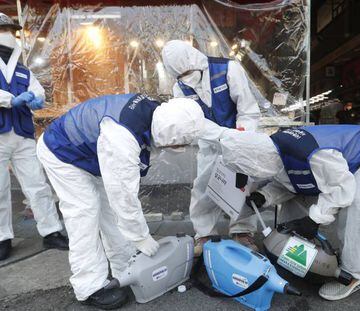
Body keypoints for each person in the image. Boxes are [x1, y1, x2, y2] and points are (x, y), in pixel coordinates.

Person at [37, 93, 205, 309]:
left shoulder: (159, 113)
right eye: (174, 145)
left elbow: (119, 200)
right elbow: (123, 196)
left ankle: (125, 268)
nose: (173, 150)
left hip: (90, 151)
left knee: (109, 210)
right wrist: (140, 236)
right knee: (84, 214)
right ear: (167, 134)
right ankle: (89, 286)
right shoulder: (122, 137)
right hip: (63, 153)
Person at [217, 125, 360, 301]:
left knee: (356, 206)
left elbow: (342, 188)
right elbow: (289, 182)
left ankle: (353, 273)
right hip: (336, 163)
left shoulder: (312, 155)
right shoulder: (271, 151)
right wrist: (264, 195)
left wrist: (315, 218)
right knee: (296, 197)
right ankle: (297, 251)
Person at [161, 40, 261, 255]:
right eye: (181, 75)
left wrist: (242, 137)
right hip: (210, 142)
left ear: (194, 60)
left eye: (188, 71)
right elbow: (193, 121)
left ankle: (242, 230)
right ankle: (205, 233)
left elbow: (247, 108)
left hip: (241, 136)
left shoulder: (228, 69)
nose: (186, 77)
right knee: (203, 187)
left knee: (242, 184)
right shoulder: (180, 87)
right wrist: (222, 136)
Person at [0, 13, 68, 261]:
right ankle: (2, 238)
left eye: (9, 29)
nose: (7, 34)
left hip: (23, 134)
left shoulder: (23, 71)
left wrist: (38, 101)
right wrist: (9, 100)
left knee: (37, 186)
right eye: (2, 29)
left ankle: (51, 231)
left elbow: (37, 93)